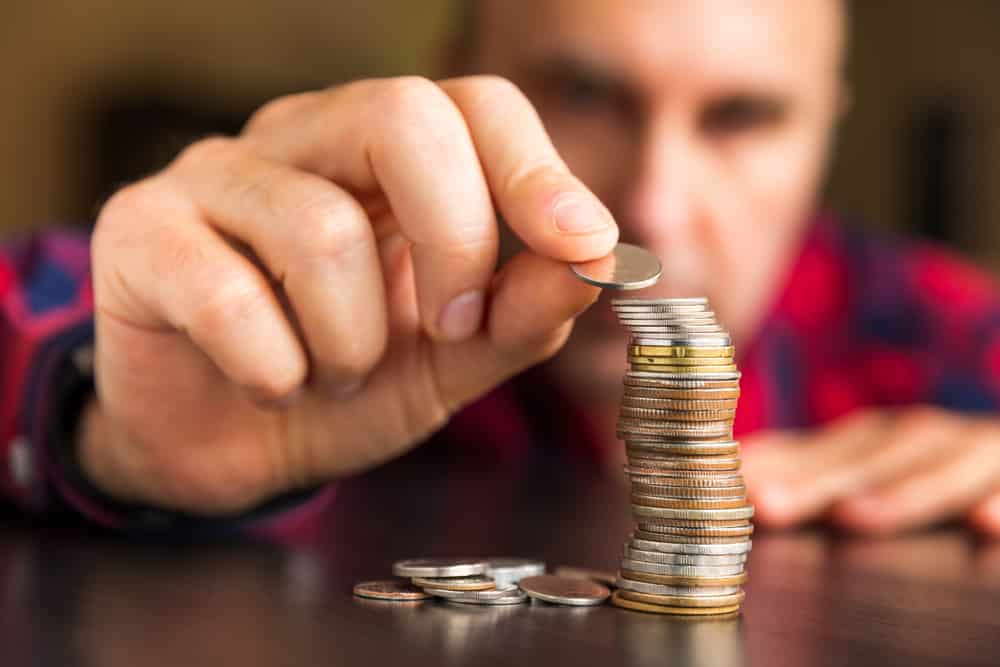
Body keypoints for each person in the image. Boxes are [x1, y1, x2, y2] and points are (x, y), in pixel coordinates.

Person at [2, 0, 998, 537]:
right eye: (584, 92)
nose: (649, 203)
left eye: (742, 117)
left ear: (828, 116)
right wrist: (99, 427)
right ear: (458, 71)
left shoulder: (953, 339)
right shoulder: (292, 275)